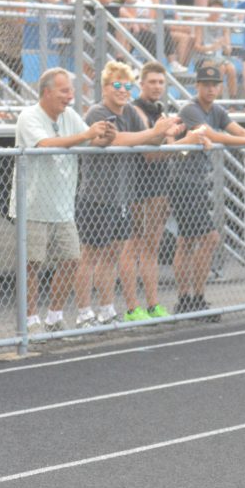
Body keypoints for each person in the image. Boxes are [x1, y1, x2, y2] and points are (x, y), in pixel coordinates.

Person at [77, 61, 182, 326]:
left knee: (111, 255)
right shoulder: (97, 112)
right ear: (105, 87)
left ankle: (107, 309)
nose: (123, 90)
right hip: (97, 197)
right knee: (89, 256)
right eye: (117, 85)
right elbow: (119, 139)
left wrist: (162, 133)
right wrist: (154, 132)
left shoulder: (131, 113)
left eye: (127, 86)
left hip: (122, 197)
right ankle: (83, 313)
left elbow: (147, 141)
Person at [12, 68, 115, 334]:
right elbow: (45, 144)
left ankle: (54, 317)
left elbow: (91, 141)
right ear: (47, 92)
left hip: (63, 207)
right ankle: (29, 322)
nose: (70, 96)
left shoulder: (69, 115)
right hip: (33, 206)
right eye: (65, 90)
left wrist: (106, 136)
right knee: (31, 265)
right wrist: (87, 135)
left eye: (71, 90)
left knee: (71, 260)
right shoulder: (29, 116)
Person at [171, 62, 245, 315]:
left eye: (215, 85)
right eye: (206, 85)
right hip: (183, 182)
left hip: (197, 181)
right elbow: (211, 134)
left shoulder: (216, 109)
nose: (210, 89)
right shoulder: (190, 109)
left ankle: (189, 300)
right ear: (197, 86)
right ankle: (192, 298)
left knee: (187, 241)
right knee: (209, 238)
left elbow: (235, 128)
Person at [124, 61, 175, 322]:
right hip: (138, 188)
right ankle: (132, 307)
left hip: (159, 187)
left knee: (152, 247)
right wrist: (166, 136)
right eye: (152, 82)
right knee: (133, 245)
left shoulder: (160, 111)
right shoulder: (135, 110)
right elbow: (151, 152)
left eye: (161, 82)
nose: (157, 86)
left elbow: (170, 144)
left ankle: (153, 304)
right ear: (141, 84)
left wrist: (166, 137)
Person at [193, 0, 240, 99]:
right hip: (203, 57)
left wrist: (225, 46)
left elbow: (228, 50)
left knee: (231, 69)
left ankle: (233, 100)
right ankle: (218, 99)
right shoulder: (201, 23)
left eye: (219, 10)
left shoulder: (224, 25)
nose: (217, 12)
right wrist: (212, 47)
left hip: (219, 57)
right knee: (220, 69)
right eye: (214, 9)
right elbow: (197, 47)